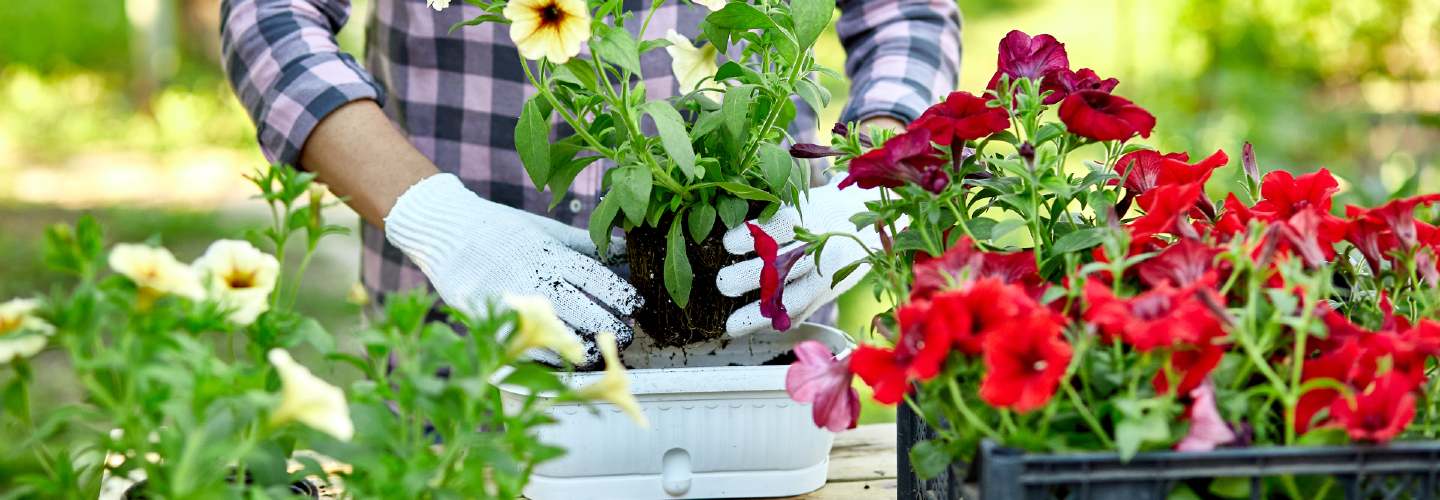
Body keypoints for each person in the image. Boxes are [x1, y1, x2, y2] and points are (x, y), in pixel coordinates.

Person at [220, 0, 960, 367]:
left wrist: (872, 184)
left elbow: (906, 14)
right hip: (469, 346)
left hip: (751, 351)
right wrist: (435, 217)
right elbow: (267, 17)